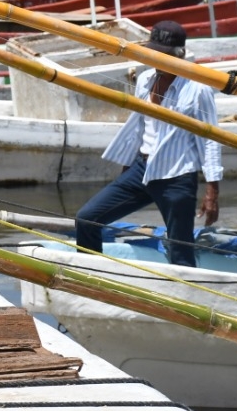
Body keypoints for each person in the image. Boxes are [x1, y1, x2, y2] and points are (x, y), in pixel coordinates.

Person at [74, 21, 222, 267]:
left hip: (177, 176)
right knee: (87, 218)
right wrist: (126, 168)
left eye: (161, 54)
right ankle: (94, 277)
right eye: (152, 52)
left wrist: (212, 192)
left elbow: (211, 140)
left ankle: (183, 299)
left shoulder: (198, 90)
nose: (155, 59)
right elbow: (140, 127)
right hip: (141, 169)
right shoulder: (144, 80)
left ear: (179, 55)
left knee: (180, 251)